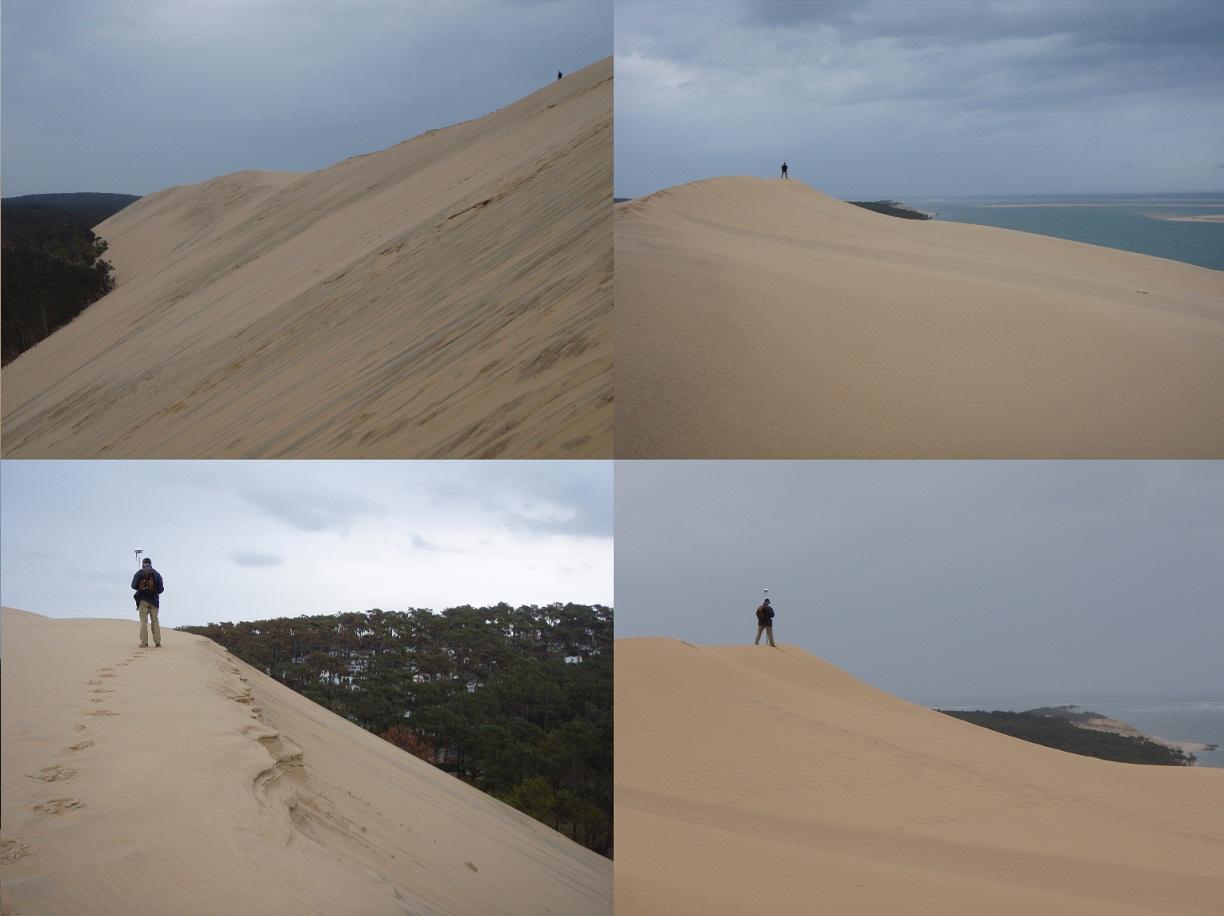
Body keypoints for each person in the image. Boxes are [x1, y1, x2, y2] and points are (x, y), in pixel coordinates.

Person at [131, 557, 165, 648]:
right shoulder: (157, 574)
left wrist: (140, 586)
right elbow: (161, 589)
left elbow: (133, 586)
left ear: (143, 564)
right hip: (154, 602)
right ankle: (157, 642)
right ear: (151, 563)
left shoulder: (139, 573)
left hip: (143, 601)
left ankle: (144, 643)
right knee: (155, 621)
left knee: (143, 622)